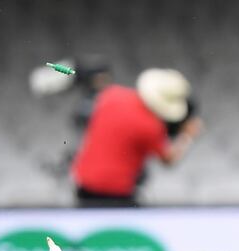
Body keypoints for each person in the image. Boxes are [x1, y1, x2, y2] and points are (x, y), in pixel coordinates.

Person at [71, 68, 203, 207]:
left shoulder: (112, 95)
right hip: (117, 194)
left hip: (83, 185)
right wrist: (187, 136)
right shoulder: (151, 126)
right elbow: (168, 159)